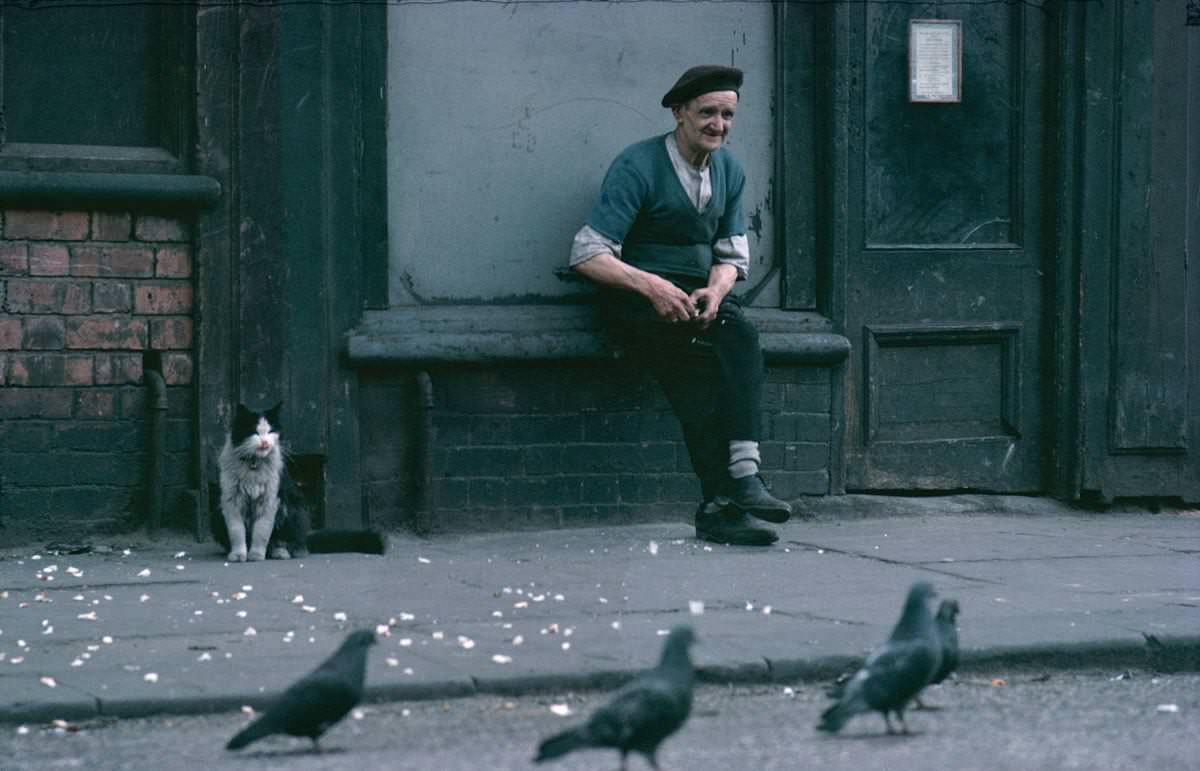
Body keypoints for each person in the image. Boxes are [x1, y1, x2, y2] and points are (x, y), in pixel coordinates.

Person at [569, 64, 792, 546]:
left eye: (727, 115)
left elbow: (731, 256)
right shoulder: (638, 164)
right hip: (633, 300)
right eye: (707, 112)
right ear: (679, 113)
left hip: (694, 296)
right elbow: (588, 253)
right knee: (696, 368)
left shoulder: (730, 169)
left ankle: (744, 478)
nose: (718, 124)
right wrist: (651, 287)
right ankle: (721, 504)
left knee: (741, 334)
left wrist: (716, 291)